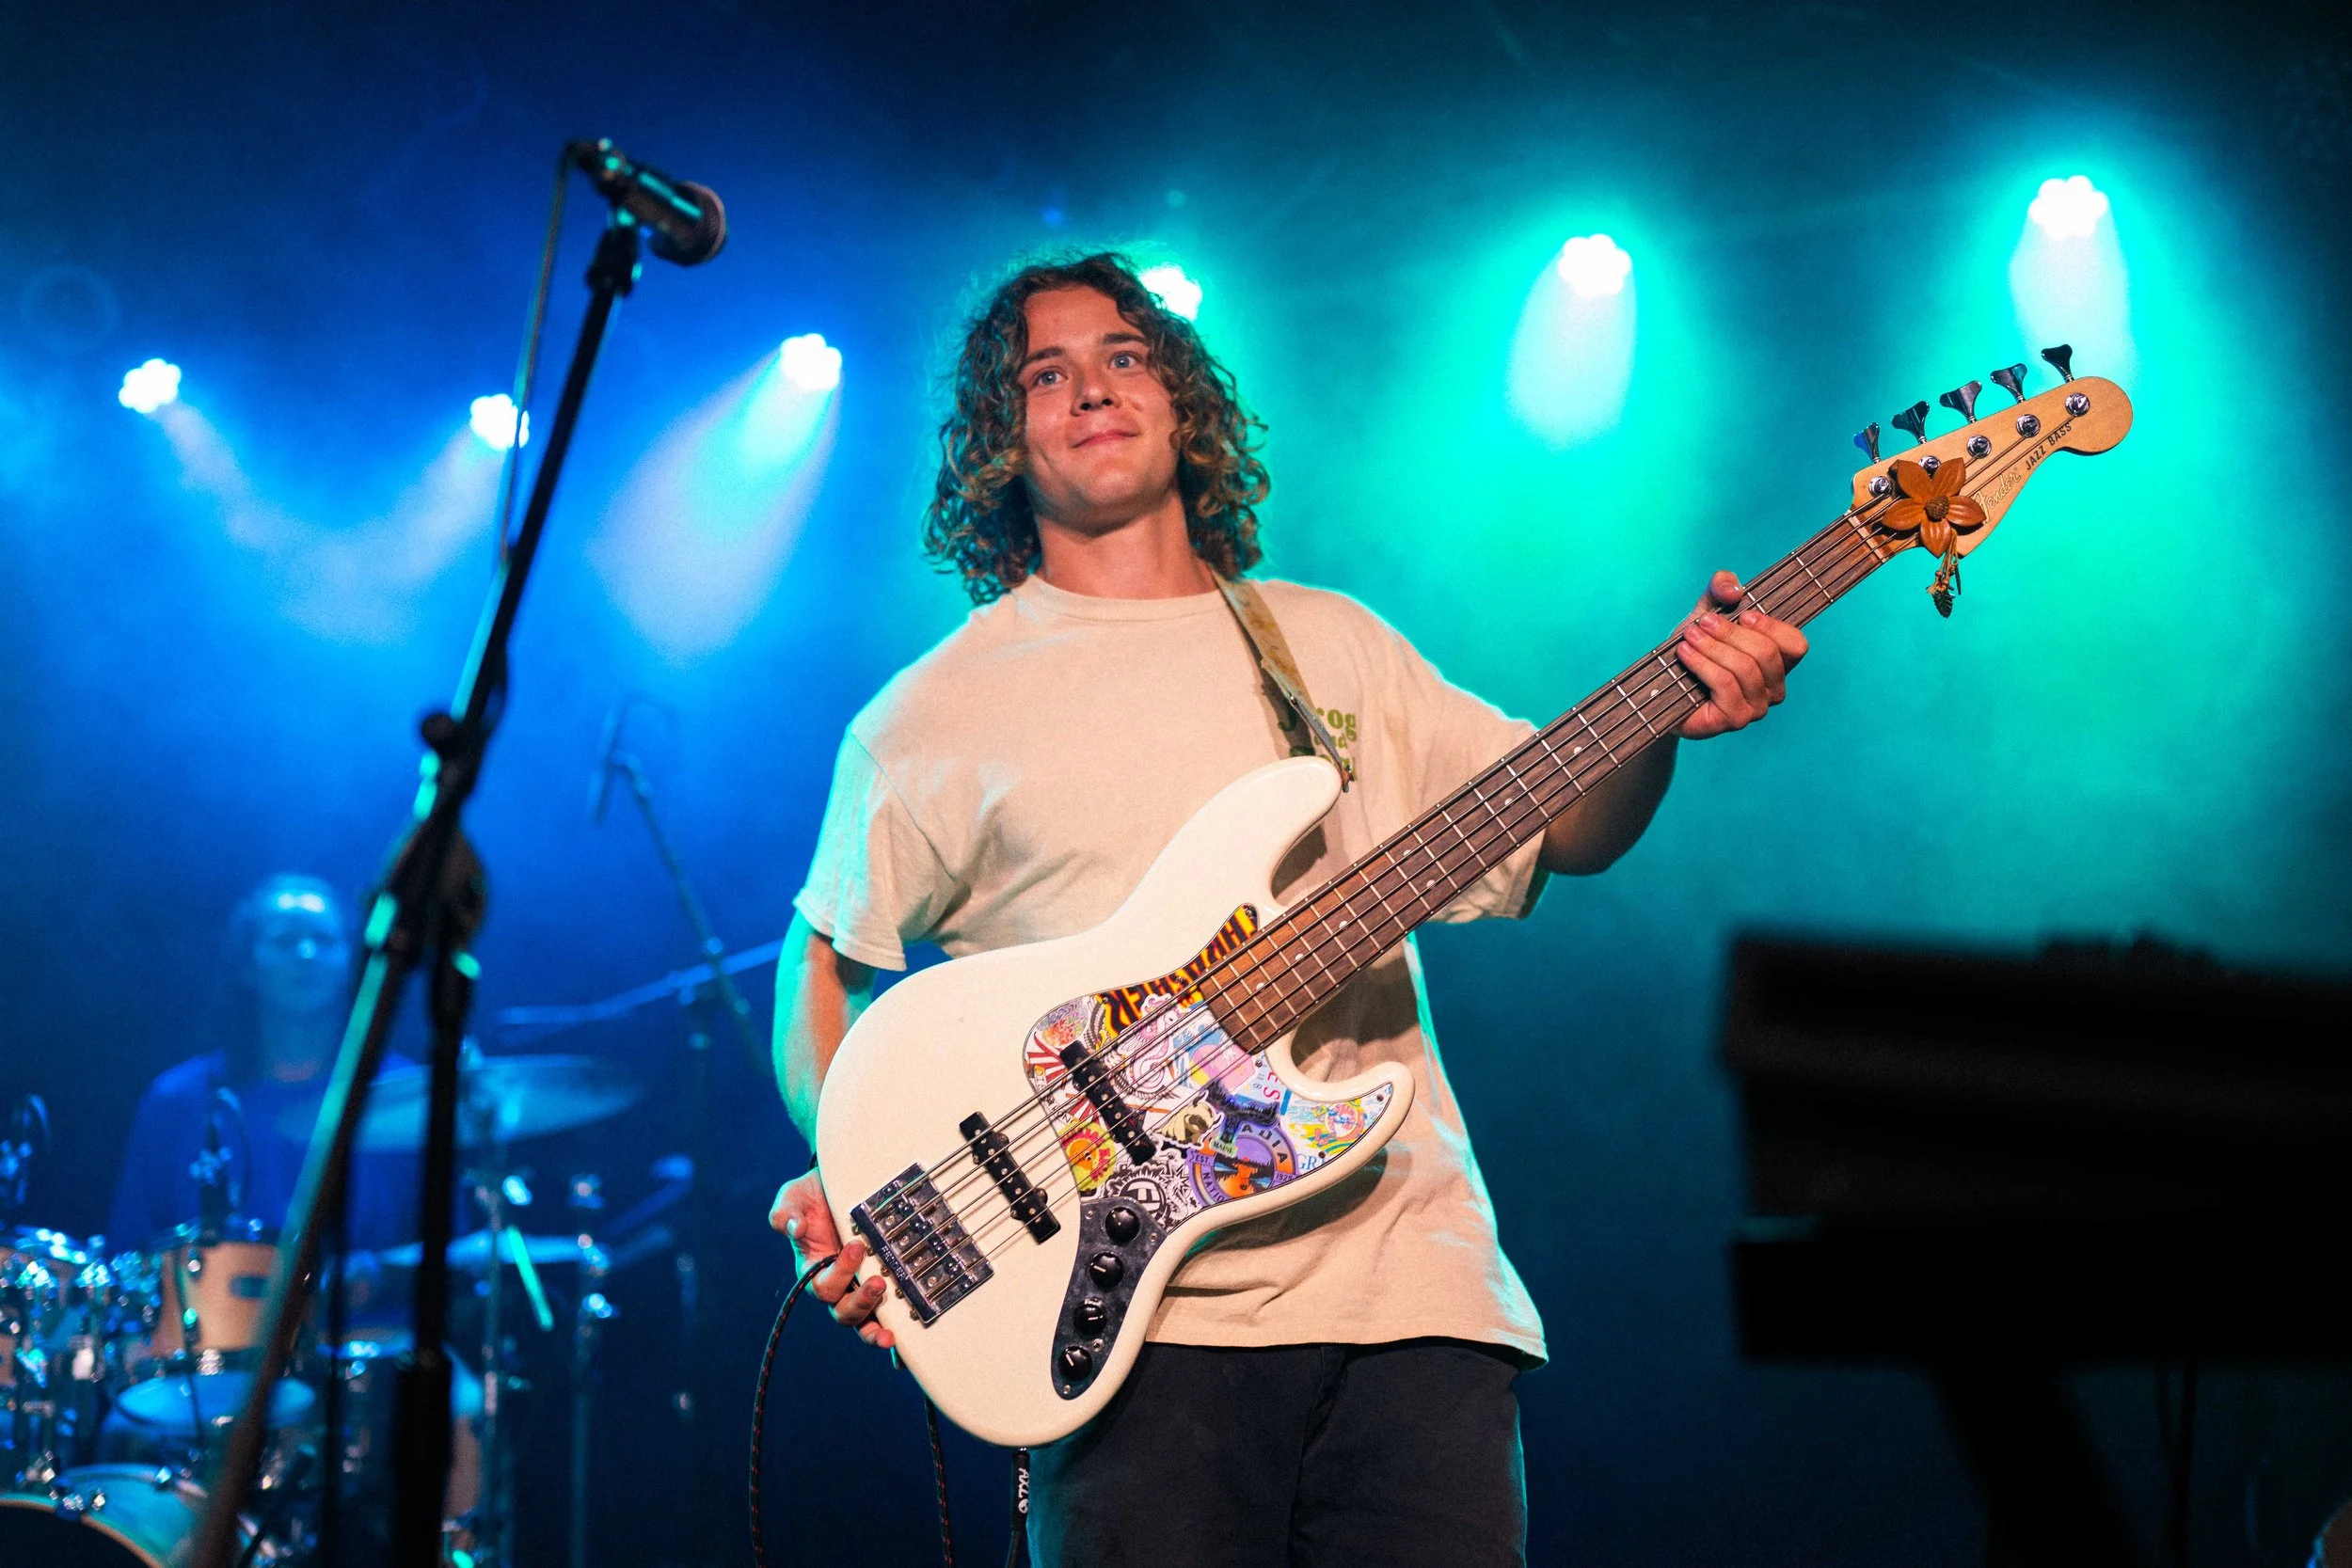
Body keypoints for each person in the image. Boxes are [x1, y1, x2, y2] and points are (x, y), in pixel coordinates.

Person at [767, 253, 1807, 1566]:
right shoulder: (931, 713)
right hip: (1132, 1333)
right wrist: (858, 1169)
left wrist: (1669, 713)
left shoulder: (1327, 641)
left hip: (1415, 1294)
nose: (1092, 386)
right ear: (997, 438)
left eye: (1126, 355)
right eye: (1046, 371)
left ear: (1182, 401)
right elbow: (822, 963)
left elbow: (1561, 827)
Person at [109, 872, 415, 1255]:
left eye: (325, 940)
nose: (307, 953)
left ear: (348, 960)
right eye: (285, 939)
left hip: (368, 1317)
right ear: (247, 965)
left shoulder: (408, 1094)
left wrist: (379, 1273)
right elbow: (126, 1261)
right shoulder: (176, 1102)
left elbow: (458, 1262)